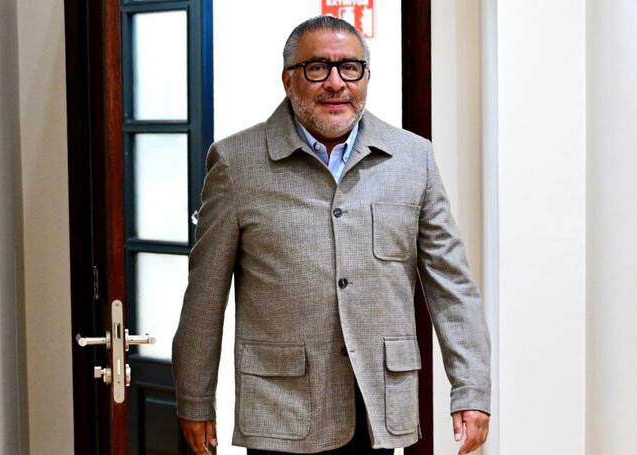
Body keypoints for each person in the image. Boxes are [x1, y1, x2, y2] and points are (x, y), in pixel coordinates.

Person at [172, 15, 491, 455]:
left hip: (378, 407)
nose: (336, 83)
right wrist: (195, 398)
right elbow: (205, 295)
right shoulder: (236, 162)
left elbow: (452, 285)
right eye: (317, 68)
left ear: (366, 77)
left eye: (350, 68)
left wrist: (471, 389)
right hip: (281, 411)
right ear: (288, 80)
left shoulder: (412, 158)